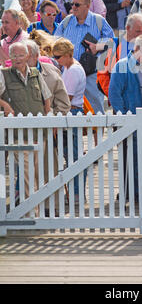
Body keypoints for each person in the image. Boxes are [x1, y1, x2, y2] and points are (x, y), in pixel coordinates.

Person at [0, 42, 52, 207]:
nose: (17, 59)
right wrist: (5, 105)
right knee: (26, 171)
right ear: (10, 57)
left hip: (39, 132)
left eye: (21, 55)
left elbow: (46, 98)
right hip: (18, 134)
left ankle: (31, 207)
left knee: (36, 172)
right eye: (14, 55)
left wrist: (48, 116)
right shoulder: (4, 74)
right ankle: (30, 210)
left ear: (28, 56)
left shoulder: (36, 74)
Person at [109, 35, 142, 199]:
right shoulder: (122, 66)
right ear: (136, 50)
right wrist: (125, 120)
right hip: (131, 121)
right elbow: (114, 95)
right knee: (129, 158)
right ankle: (130, 193)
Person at [54, 0, 114, 115]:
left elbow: (112, 42)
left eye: (77, 5)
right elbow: (55, 43)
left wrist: (97, 46)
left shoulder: (98, 21)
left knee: (96, 108)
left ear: (87, 5)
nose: (73, 7)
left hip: (91, 73)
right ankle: (75, 134)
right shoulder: (66, 22)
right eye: (72, 4)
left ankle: (98, 134)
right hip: (69, 73)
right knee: (69, 108)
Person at [52, 37, 87, 202]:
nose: (56, 60)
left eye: (58, 57)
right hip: (72, 112)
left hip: (71, 112)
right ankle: (75, 193)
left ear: (67, 55)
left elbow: (67, 97)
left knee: (73, 155)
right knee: (73, 154)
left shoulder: (72, 70)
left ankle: (76, 194)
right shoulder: (70, 67)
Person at [97, 13, 142, 97]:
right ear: (128, 28)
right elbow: (103, 74)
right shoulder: (114, 44)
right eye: (138, 31)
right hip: (120, 99)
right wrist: (113, 94)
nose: (141, 35)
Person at [26, 39, 71, 116]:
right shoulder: (11, 73)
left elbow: (63, 103)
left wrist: (54, 121)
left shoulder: (52, 71)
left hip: (48, 123)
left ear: (36, 56)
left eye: (26, 56)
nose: (22, 59)